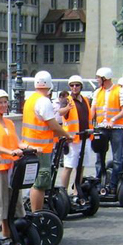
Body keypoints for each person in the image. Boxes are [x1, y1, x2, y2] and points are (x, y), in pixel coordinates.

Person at [21, 70, 70, 211]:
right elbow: (53, 125)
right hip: (41, 149)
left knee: (35, 181)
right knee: (40, 183)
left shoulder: (30, 100)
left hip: (29, 146)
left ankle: (34, 211)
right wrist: (67, 135)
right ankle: (38, 214)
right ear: (50, 85)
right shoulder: (44, 101)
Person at [0, 89, 28, 239]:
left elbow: (17, 142)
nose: (3, 105)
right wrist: (10, 152)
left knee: (11, 204)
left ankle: (8, 237)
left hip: (11, 168)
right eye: (0, 102)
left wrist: (28, 147)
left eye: (5, 102)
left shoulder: (9, 122)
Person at [90, 67, 123, 193]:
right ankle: (98, 183)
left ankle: (113, 185)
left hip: (116, 128)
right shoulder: (97, 92)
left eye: (98, 78)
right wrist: (89, 123)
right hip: (101, 128)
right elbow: (93, 110)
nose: (97, 80)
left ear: (104, 78)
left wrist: (113, 120)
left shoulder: (120, 91)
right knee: (99, 156)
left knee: (118, 157)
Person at [59, 75, 92, 191]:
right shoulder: (67, 100)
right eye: (72, 85)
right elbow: (60, 112)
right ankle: (62, 193)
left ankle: (76, 191)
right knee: (68, 167)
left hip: (85, 137)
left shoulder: (86, 100)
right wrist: (67, 108)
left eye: (77, 85)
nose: (74, 87)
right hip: (72, 139)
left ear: (81, 86)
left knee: (81, 167)